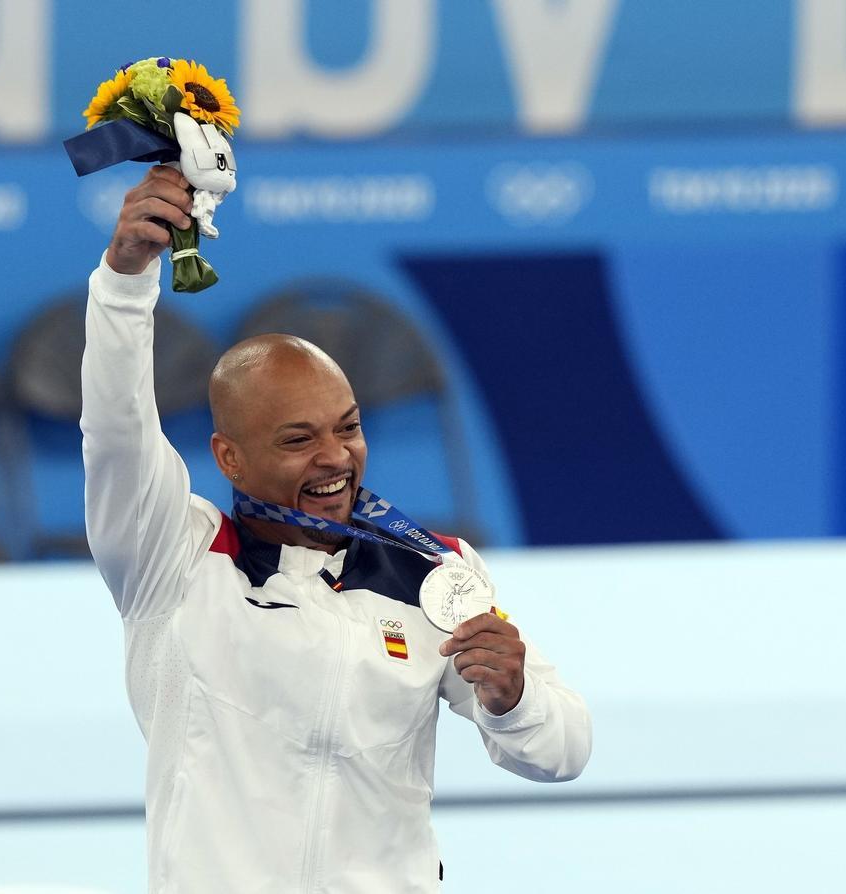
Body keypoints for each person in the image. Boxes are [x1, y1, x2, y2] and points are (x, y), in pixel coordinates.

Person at [80, 165, 592, 893]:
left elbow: (563, 750)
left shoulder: (433, 569)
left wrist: (514, 700)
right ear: (230, 456)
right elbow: (115, 431)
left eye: (347, 428)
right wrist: (125, 283)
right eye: (298, 441)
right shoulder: (175, 556)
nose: (335, 458)